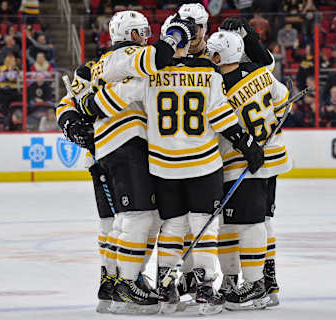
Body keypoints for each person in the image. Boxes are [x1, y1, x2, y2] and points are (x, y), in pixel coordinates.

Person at [78, 37, 265, 315]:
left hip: (164, 166)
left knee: (172, 227)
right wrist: (246, 144)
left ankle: (167, 290)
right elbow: (220, 114)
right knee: (204, 226)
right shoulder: (207, 73)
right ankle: (204, 289)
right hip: (203, 164)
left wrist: (88, 105)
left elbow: (112, 100)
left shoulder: (151, 74)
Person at [56, 10, 197, 314]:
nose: (147, 37)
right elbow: (68, 104)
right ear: (132, 35)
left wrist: (86, 110)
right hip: (118, 149)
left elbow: (85, 100)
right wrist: (71, 122)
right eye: (143, 32)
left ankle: (117, 284)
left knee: (133, 221)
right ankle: (120, 285)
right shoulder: (116, 60)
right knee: (126, 221)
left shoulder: (106, 66)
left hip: (120, 149)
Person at [207, 30, 291, 309]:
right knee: (260, 221)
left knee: (244, 224)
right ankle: (268, 282)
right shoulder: (259, 72)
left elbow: (219, 124)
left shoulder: (219, 85)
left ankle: (255, 285)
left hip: (241, 163)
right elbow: (283, 100)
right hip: (273, 157)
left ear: (219, 55)